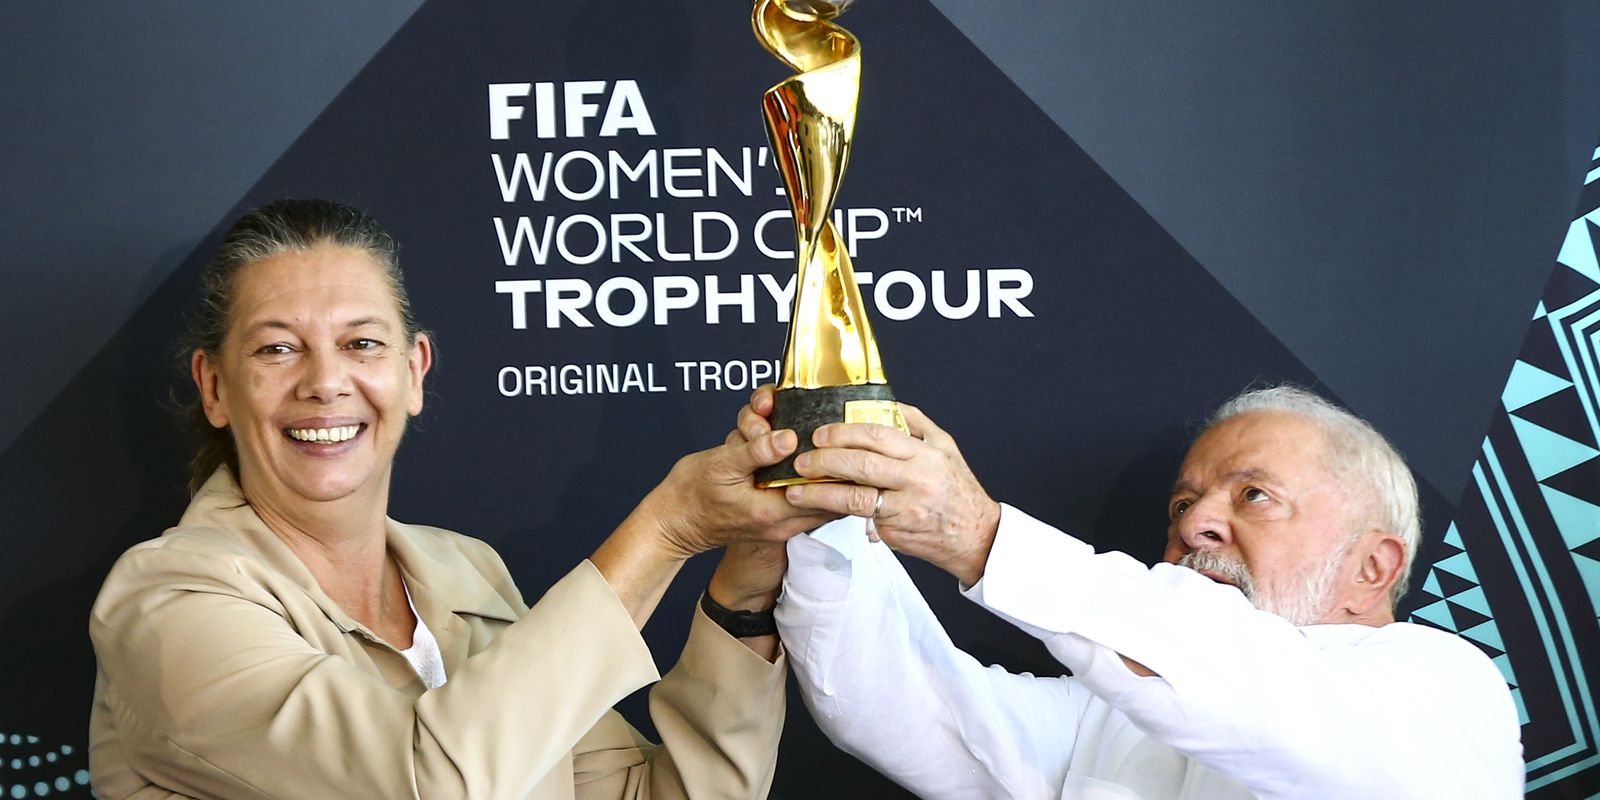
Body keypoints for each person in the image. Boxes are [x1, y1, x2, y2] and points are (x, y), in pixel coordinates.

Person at [87, 199, 829, 800]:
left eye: (361, 344)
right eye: (277, 348)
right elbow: (427, 783)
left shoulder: (464, 572)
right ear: (215, 387)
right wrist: (666, 530)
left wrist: (747, 579)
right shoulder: (165, 603)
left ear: (414, 371)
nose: (325, 382)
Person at [740, 384, 1524, 799]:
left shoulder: (1445, 689)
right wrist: (829, 501)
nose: (1196, 524)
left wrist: (982, 536)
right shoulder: (1115, 712)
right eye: (1183, 504)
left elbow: (1242, 682)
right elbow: (907, 707)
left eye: (1254, 496)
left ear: (1373, 567)